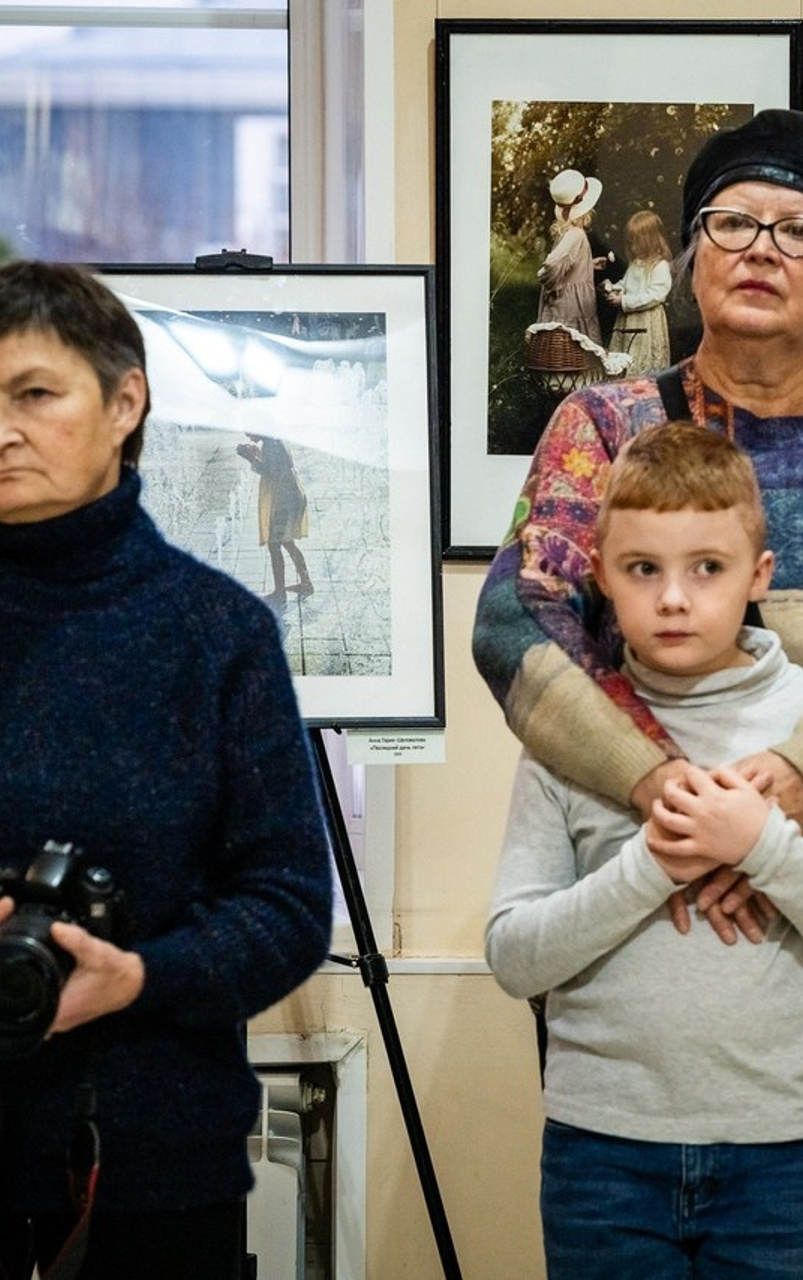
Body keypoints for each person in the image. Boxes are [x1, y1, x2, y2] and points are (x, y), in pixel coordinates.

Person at [473, 108, 803, 1280]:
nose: (761, 246)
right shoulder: (604, 421)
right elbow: (519, 617)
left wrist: (796, 781)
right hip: (636, 912)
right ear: (691, 255)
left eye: (799, 229)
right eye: (731, 221)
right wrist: (666, 794)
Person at [486, 422, 803, 1278]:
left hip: (779, 1153)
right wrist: (655, 863)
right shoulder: (572, 736)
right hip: (602, 1152)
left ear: (758, 576)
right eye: (644, 569)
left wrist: (763, 847)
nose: (674, 598)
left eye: (706, 568)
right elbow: (514, 956)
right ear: (601, 575)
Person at [0, 260, 333, 1280]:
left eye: (34, 394)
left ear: (124, 401)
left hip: (154, 1166)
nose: (1, 429)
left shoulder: (216, 633)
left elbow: (285, 907)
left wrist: (138, 977)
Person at [235, 430, 314, 605]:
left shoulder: (272, 444)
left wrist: (250, 457)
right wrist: (255, 453)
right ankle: (306, 583)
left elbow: (270, 472)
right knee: (287, 542)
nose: (247, 435)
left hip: (286, 500)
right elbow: (273, 467)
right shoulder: (272, 441)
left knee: (274, 544)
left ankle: (280, 592)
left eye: (248, 430)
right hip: (289, 496)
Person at [536, 168, 605, 345]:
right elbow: (553, 265)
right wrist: (549, 281)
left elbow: (569, 262)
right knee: (571, 345)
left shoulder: (570, 232)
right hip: (570, 305)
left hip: (571, 303)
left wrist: (588, 264)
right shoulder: (576, 234)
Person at [605, 209, 674, 374]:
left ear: (649, 241)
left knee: (644, 357)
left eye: (637, 242)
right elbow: (627, 283)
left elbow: (655, 295)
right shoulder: (636, 263)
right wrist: (614, 288)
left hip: (647, 320)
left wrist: (624, 301)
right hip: (629, 319)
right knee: (627, 353)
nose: (633, 247)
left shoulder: (660, 266)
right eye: (631, 243)